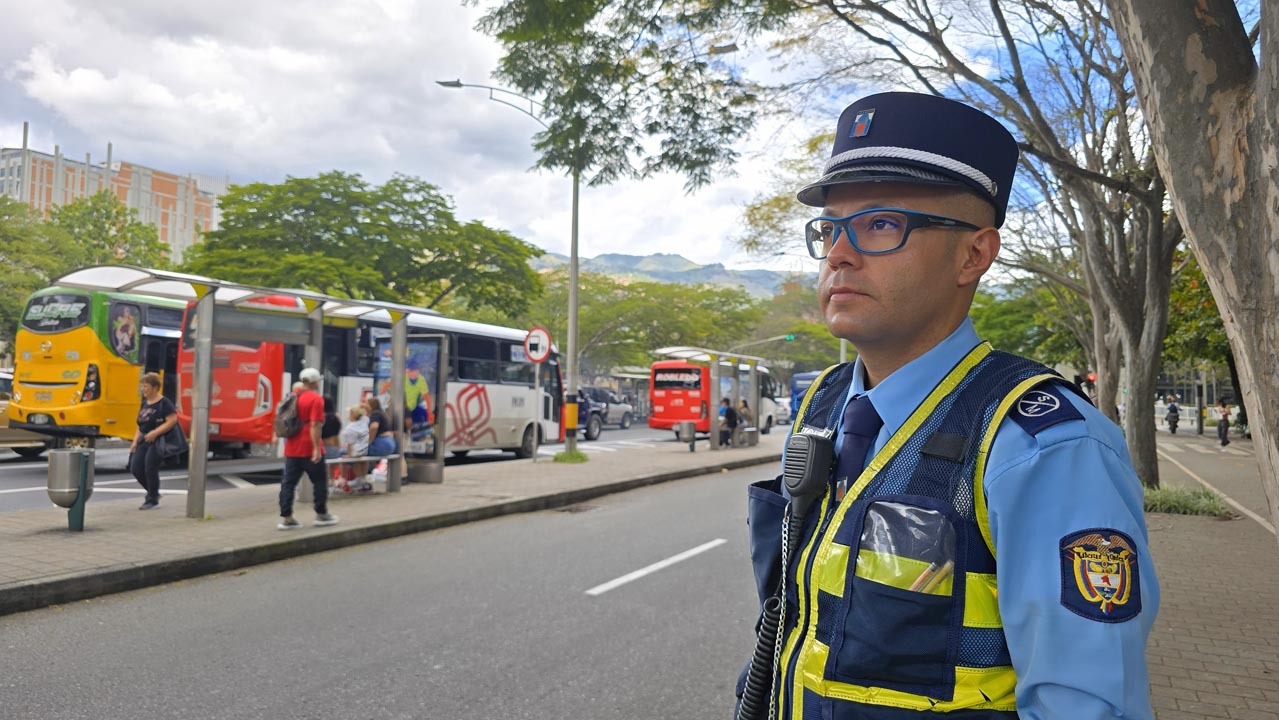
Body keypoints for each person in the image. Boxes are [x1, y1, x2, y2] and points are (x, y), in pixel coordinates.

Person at [737, 93, 1159, 720]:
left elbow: (1088, 707)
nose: (838, 255)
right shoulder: (824, 402)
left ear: (974, 255)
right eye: (830, 228)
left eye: (881, 224)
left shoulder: (1042, 447)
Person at [278, 367, 338, 530]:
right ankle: (321, 514)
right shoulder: (316, 399)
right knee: (319, 481)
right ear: (314, 382)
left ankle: (287, 517)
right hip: (308, 446)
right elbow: (315, 425)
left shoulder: (294, 395)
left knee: (288, 483)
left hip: (292, 446)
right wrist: (316, 448)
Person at [129, 372, 176, 510]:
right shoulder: (144, 403)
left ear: (155, 388)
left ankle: (152, 500)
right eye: (142, 386)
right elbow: (141, 425)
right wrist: (134, 442)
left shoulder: (164, 403)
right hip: (143, 439)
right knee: (136, 468)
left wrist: (156, 432)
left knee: (150, 468)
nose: (143, 389)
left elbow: (172, 420)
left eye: (146, 386)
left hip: (157, 440)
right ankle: (153, 492)